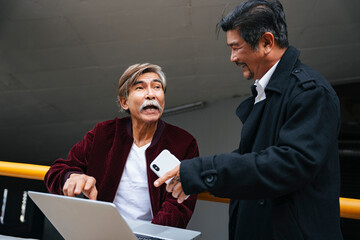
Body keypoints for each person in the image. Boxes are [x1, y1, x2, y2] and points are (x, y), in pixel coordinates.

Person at [154, 0, 343, 239]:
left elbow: (286, 165)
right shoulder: (271, 91)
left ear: (266, 42)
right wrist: (193, 173)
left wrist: (202, 170)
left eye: (236, 47)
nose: (232, 58)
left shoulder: (312, 93)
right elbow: (254, 159)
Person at [44, 63, 199, 228]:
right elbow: (56, 171)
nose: (151, 94)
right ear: (124, 102)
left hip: (152, 236)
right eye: (140, 88)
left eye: (157, 87)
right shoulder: (103, 134)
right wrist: (71, 176)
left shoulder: (183, 142)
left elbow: (179, 206)